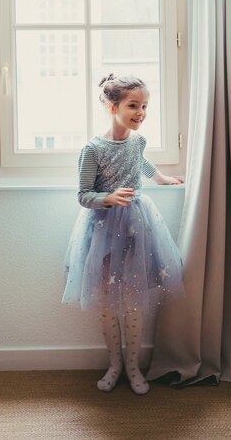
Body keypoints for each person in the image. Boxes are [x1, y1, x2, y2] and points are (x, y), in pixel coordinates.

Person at [62, 73, 184, 395]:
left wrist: (160, 178)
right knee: (106, 303)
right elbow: (83, 194)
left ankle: (133, 366)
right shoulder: (93, 149)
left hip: (137, 228)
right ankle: (114, 364)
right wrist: (108, 198)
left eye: (144, 106)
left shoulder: (137, 141)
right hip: (102, 231)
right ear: (111, 105)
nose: (140, 112)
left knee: (133, 302)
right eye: (133, 105)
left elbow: (140, 161)